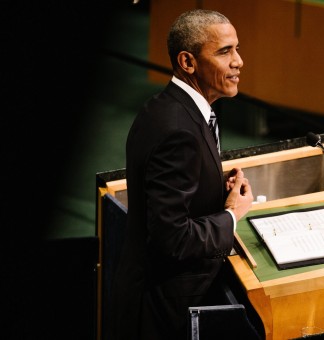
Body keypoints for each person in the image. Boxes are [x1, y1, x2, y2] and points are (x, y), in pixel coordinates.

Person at [107, 9, 255, 340]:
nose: (238, 62)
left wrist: (217, 190)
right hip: (165, 313)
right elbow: (172, 238)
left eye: (237, 48)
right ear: (188, 62)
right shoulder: (178, 130)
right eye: (224, 51)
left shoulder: (172, 107)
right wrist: (231, 216)